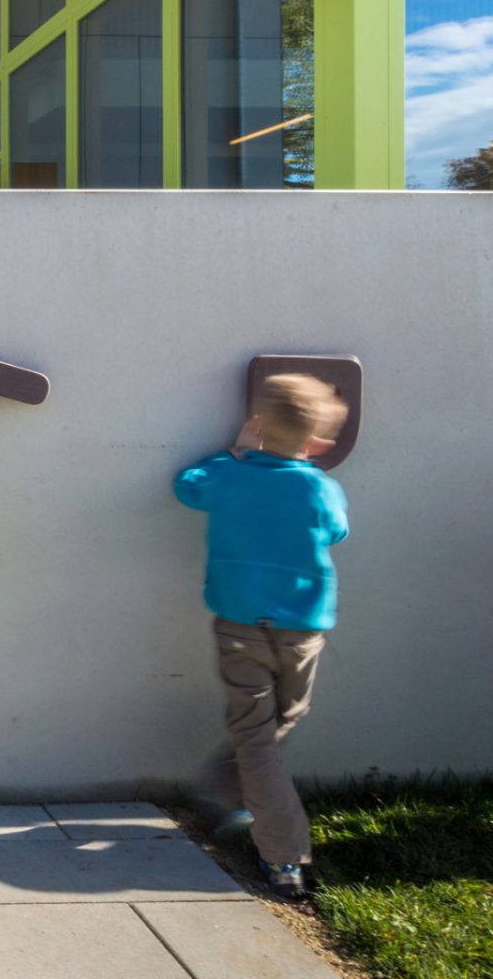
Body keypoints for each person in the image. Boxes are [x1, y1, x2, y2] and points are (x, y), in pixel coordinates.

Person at [173, 373, 349, 902]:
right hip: (301, 631)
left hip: (241, 628)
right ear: (318, 444)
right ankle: (284, 856)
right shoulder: (320, 487)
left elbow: (187, 485)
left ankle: (221, 791)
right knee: (268, 732)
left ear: (256, 426)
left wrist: (233, 453)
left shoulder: (232, 475)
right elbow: (337, 529)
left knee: (262, 735)